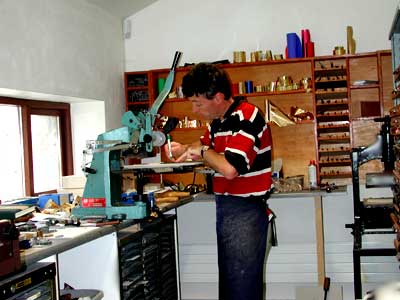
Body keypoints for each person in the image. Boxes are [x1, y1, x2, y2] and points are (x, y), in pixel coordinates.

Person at [164, 62, 273, 300]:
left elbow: (230, 168)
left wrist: (202, 151)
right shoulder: (218, 123)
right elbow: (203, 148)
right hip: (227, 210)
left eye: (198, 103)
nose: (194, 109)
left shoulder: (247, 116)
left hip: (246, 213)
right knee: (230, 289)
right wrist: (184, 148)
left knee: (242, 291)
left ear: (219, 97)